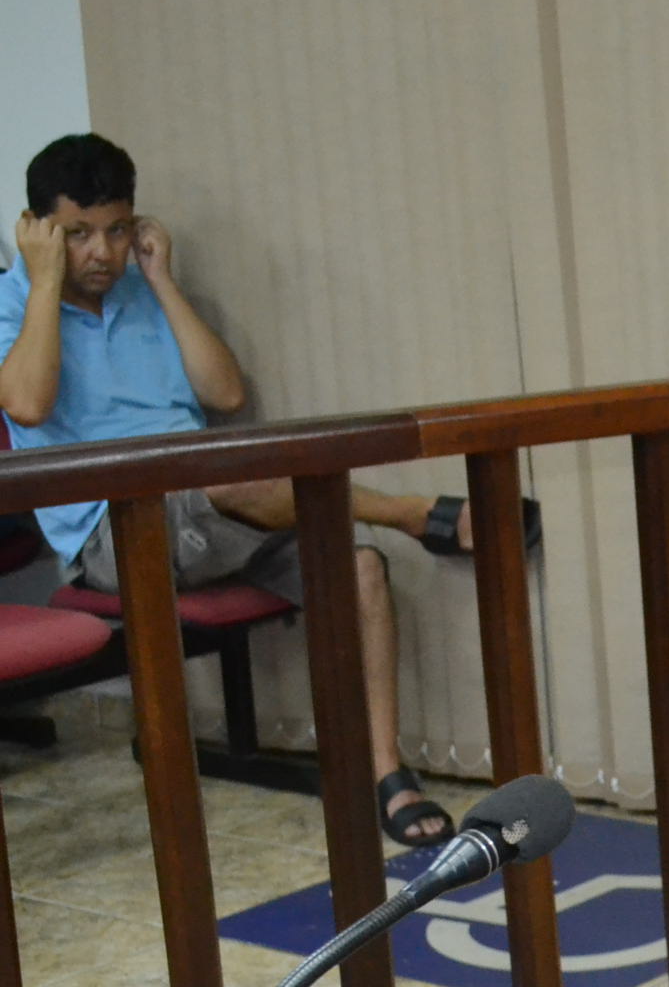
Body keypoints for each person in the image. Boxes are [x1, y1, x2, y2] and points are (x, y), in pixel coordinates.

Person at [0, 134, 535, 846]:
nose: (103, 252)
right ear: (37, 230)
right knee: (241, 474)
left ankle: (385, 771)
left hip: (218, 506)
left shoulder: (140, 288)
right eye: (78, 234)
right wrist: (41, 283)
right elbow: (27, 404)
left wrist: (162, 281)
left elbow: (224, 393)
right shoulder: (14, 303)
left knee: (359, 570)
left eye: (118, 230)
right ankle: (413, 513)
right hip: (114, 530)